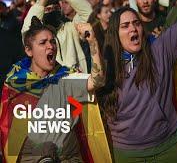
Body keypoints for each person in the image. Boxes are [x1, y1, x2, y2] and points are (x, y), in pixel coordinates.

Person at [96, 0, 177, 162]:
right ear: (115, 34)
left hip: (169, 148)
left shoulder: (159, 50)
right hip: (128, 155)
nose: (133, 29)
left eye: (136, 23)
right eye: (125, 26)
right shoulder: (106, 67)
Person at [0, 16, 106, 162]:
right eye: (43, 43)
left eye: (52, 41)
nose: (50, 46)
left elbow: (97, 80)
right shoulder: (16, 83)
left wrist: (93, 42)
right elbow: (7, 130)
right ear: (29, 51)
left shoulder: (66, 78)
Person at [22, 0, 92, 73]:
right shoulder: (36, 34)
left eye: (55, 8)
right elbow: (29, 23)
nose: (52, 11)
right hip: (49, 82)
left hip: (76, 81)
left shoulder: (70, 28)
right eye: (48, 9)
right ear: (42, 13)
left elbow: (87, 12)